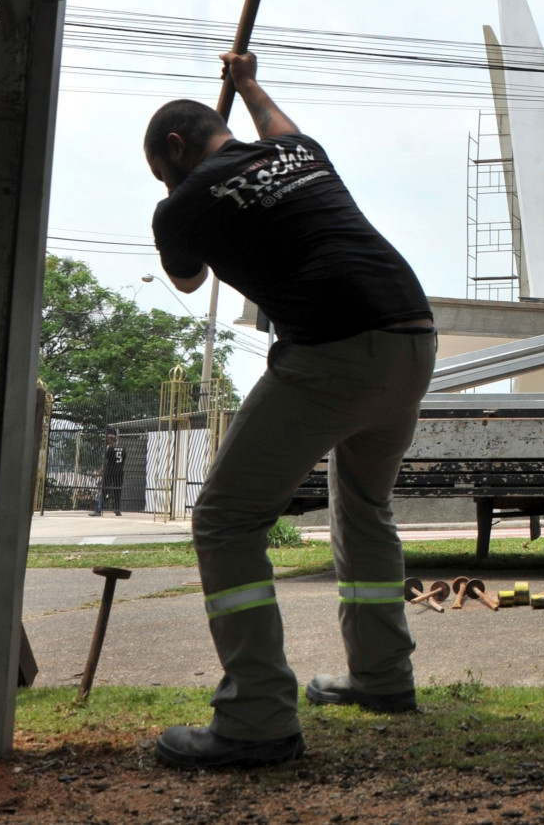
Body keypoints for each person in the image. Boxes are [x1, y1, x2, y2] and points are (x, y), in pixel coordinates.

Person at [143, 50, 435, 770]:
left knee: (223, 520)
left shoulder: (180, 204)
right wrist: (247, 83)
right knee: (363, 505)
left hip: (336, 350)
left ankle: (256, 717)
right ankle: (382, 677)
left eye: (160, 170)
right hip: (412, 337)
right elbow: (276, 124)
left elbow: (187, 279)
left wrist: (178, 201)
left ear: (175, 149)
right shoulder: (298, 152)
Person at [91, 432, 125, 516]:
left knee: (104, 490)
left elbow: (106, 462)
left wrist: (100, 471)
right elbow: (123, 463)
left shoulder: (110, 448)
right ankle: (117, 509)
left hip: (110, 472)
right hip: (119, 473)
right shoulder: (123, 448)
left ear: (112, 440)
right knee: (117, 490)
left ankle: (98, 510)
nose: (106, 441)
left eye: (107, 439)